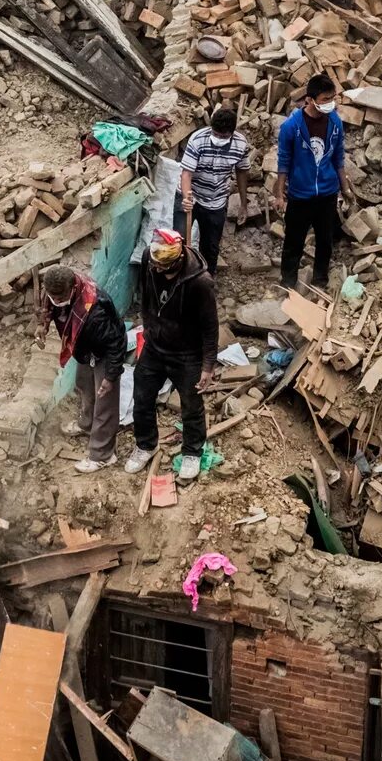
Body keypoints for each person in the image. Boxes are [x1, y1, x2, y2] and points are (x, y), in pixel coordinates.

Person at [130, 227, 219, 481]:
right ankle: (146, 445)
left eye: (163, 268)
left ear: (178, 261)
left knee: (191, 405)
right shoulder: (151, 259)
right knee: (142, 397)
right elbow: (146, 293)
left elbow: (211, 326)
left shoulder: (200, 283)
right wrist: (147, 327)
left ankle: (192, 452)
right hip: (155, 347)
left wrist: (208, 365)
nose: (157, 271)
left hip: (187, 354)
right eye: (155, 266)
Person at [41, 262, 132, 473]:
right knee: (83, 385)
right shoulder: (56, 290)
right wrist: (41, 324)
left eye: (61, 299)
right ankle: (86, 424)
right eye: (54, 298)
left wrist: (110, 376)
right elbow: (46, 305)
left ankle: (103, 455)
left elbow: (115, 343)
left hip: (105, 351)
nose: (56, 302)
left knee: (105, 402)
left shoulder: (95, 310)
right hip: (84, 347)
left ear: (73, 289)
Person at [274, 73, 346, 291]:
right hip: (300, 194)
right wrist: (279, 194)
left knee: (325, 240)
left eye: (332, 98)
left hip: (327, 193)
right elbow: (283, 161)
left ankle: (319, 281)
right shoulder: (292, 127)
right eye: (325, 99)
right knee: (293, 242)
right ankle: (287, 282)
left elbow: (338, 156)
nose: (330, 104)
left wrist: (345, 186)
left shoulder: (335, 122)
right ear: (310, 99)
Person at [177, 103, 254, 274]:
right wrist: (185, 199)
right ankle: (180, 280)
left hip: (216, 200)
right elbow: (186, 174)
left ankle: (206, 281)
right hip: (191, 194)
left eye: (222, 136)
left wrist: (243, 204)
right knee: (179, 243)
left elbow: (242, 172)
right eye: (215, 134)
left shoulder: (240, 144)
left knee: (211, 247)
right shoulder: (198, 139)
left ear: (231, 133)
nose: (218, 138)